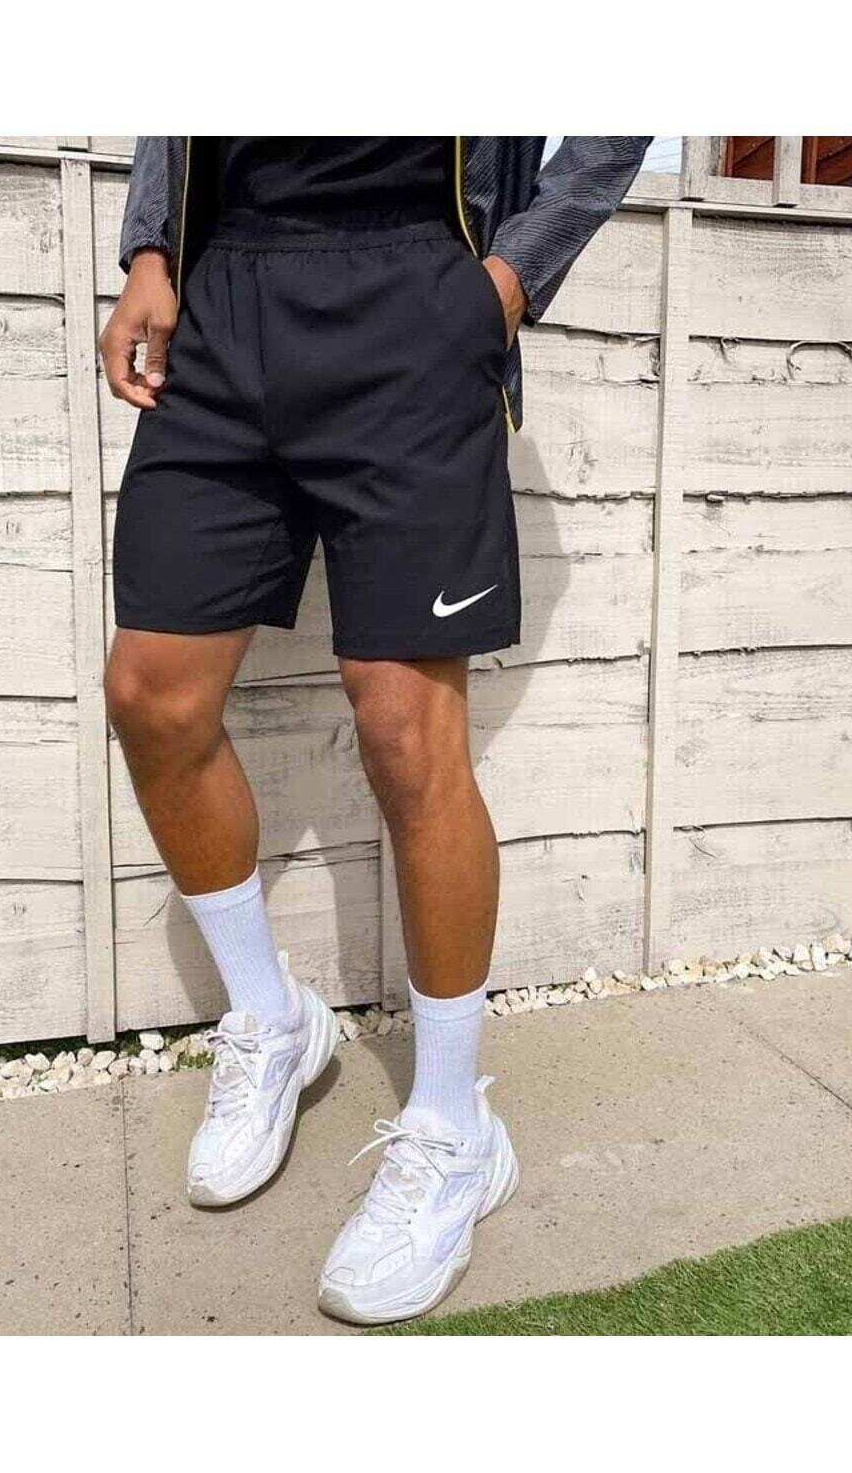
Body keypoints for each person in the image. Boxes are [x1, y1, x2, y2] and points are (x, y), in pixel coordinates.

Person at [100, 136, 650, 1324]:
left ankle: (454, 1131)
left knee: (407, 735)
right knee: (153, 695)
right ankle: (271, 1018)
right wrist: (151, 248)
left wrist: (510, 277)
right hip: (226, 294)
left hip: (416, 292)